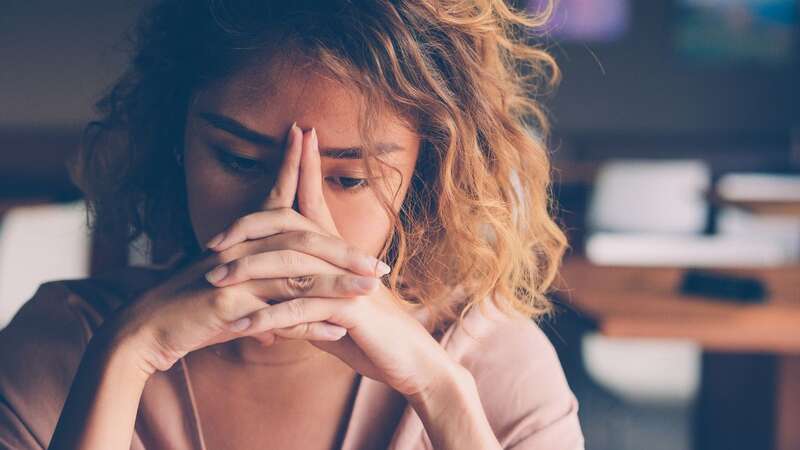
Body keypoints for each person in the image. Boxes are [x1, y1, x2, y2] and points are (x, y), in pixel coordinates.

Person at [0, 1, 584, 449]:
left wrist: (443, 397)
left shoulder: (492, 366)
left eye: (350, 178)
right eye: (239, 160)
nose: (291, 220)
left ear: (422, 178)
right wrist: (128, 356)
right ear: (174, 140)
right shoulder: (63, 347)